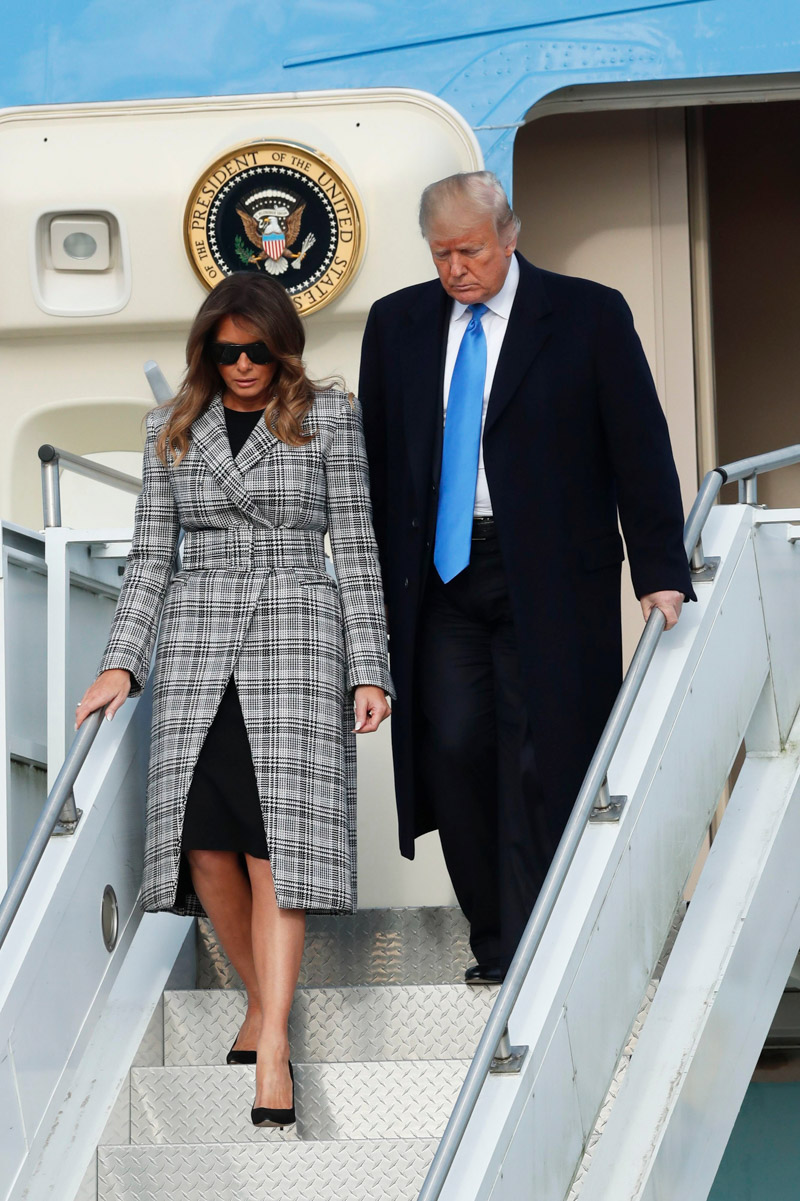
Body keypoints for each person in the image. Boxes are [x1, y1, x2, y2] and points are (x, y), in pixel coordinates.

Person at [359, 171, 694, 985]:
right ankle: (495, 927)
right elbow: (375, 465)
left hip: (547, 572)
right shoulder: (397, 323)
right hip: (439, 577)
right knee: (455, 745)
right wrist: (365, 596)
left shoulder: (587, 314)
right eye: (441, 254)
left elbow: (639, 446)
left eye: (470, 250)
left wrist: (659, 570)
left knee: (541, 752)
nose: (455, 270)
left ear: (509, 234)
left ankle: (529, 944)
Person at [76, 272, 392, 1127]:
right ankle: (259, 996)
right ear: (206, 351)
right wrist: (122, 665)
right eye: (227, 351)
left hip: (296, 630)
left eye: (257, 349)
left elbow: (356, 545)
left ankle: (275, 1044)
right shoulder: (170, 427)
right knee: (204, 845)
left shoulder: (329, 417)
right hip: (197, 638)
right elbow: (149, 558)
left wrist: (372, 666)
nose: (244, 364)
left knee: (273, 845)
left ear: (281, 345)